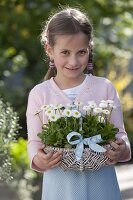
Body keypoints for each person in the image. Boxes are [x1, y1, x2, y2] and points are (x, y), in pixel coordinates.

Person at [26, 7, 131, 200]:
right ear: (49, 50)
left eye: (81, 52)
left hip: (102, 188)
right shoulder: (39, 94)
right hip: (60, 190)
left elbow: (120, 135)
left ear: (89, 48)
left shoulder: (105, 88)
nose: (73, 61)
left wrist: (121, 149)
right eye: (65, 52)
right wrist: (40, 159)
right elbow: (34, 143)